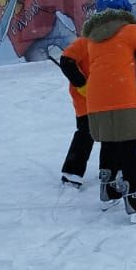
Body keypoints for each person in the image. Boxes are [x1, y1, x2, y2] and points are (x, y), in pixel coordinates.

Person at [81, 0, 136, 216]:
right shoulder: (130, 30)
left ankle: (108, 189)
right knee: (128, 147)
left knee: (109, 142)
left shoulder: (91, 36)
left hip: (96, 98)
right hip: (122, 95)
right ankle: (133, 198)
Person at [55, 35, 94, 189]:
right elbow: (66, 61)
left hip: (108, 96)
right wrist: (82, 84)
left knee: (113, 132)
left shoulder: (116, 39)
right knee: (86, 131)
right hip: (85, 99)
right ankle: (72, 172)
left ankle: (112, 168)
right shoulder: (86, 40)